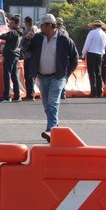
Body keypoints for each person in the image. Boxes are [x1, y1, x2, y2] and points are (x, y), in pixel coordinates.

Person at [22, 14, 79, 142]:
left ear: (50, 26)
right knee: (46, 105)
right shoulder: (37, 38)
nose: (40, 28)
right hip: (42, 76)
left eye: (42, 25)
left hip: (57, 76)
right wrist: (26, 39)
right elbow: (25, 50)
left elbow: (74, 58)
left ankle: (50, 129)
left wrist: (66, 73)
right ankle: (55, 128)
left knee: (53, 102)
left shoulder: (64, 40)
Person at [0, 15, 24, 102]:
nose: (9, 24)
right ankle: (17, 96)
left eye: (11, 23)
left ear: (16, 24)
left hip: (10, 55)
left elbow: (3, 36)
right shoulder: (20, 32)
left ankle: (6, 96)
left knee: (7, 75)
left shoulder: (13, 32)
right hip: (16, 55)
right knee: (14, 76)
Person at [82, 19, 106, 98]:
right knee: (98, 73)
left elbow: (87, 44)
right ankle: (99, 92)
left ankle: (93, 92)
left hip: (91, 54)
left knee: (91, 73)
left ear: (94, 26)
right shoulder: (104, 34)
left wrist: (83, 54)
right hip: (100, 55)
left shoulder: (91, 33)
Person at [20, 16, 39, 101]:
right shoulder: (37, 31)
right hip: (35, 56)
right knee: (32, 76)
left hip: (28, 56)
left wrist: (24, 39)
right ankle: (31, 93)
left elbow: (23, 43)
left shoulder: (28, 32)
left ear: (27, 23)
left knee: (28, 76)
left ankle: (30, 95)